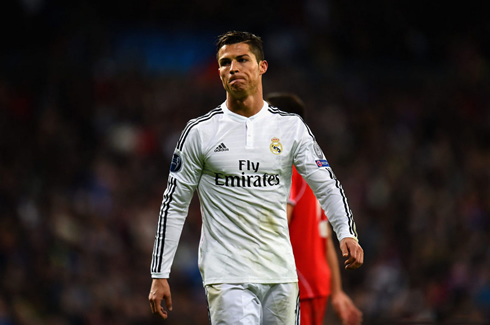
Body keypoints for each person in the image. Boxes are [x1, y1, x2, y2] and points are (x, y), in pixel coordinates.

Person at [148, 31, 363, 324]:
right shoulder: (200, 133)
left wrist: (347, 232)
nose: (232, 68)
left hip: (281, 274)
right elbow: (174, 204)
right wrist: (159, 273)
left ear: (262, 66)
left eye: (242, 59)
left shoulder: (290, 128)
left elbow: (326, 184)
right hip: (227, 275)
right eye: (225, 62)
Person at [266, 93, 363, 325]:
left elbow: (278, 226)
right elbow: (325, 236)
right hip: (315, 283)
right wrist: (337, 291)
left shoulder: (287, 169)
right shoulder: (313, 173)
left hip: (296, 285)